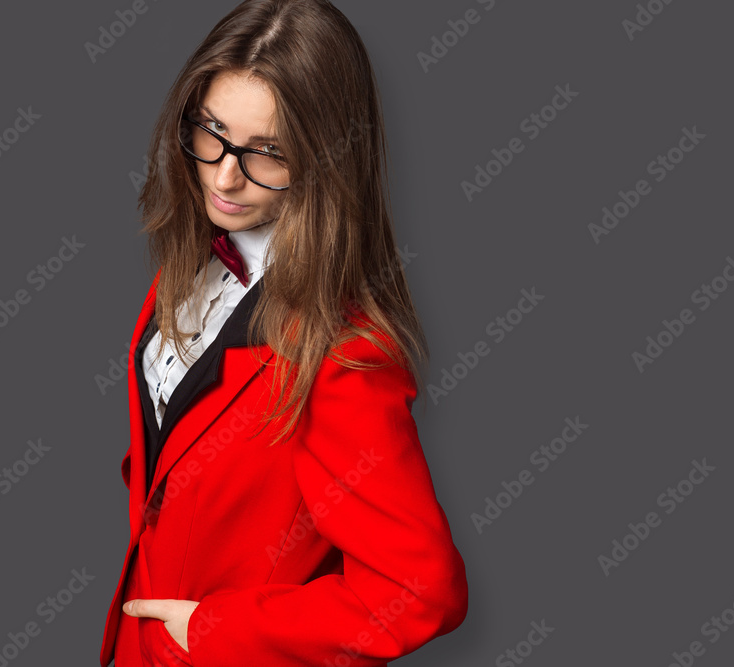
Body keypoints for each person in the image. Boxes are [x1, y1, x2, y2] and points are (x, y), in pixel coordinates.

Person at [100, 1, 468, 665]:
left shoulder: (346, 350)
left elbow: (418, 590)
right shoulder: (192, 262)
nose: (223, 175)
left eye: (266, 151)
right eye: (210, 131)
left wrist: (213, 631)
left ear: (328, 158)